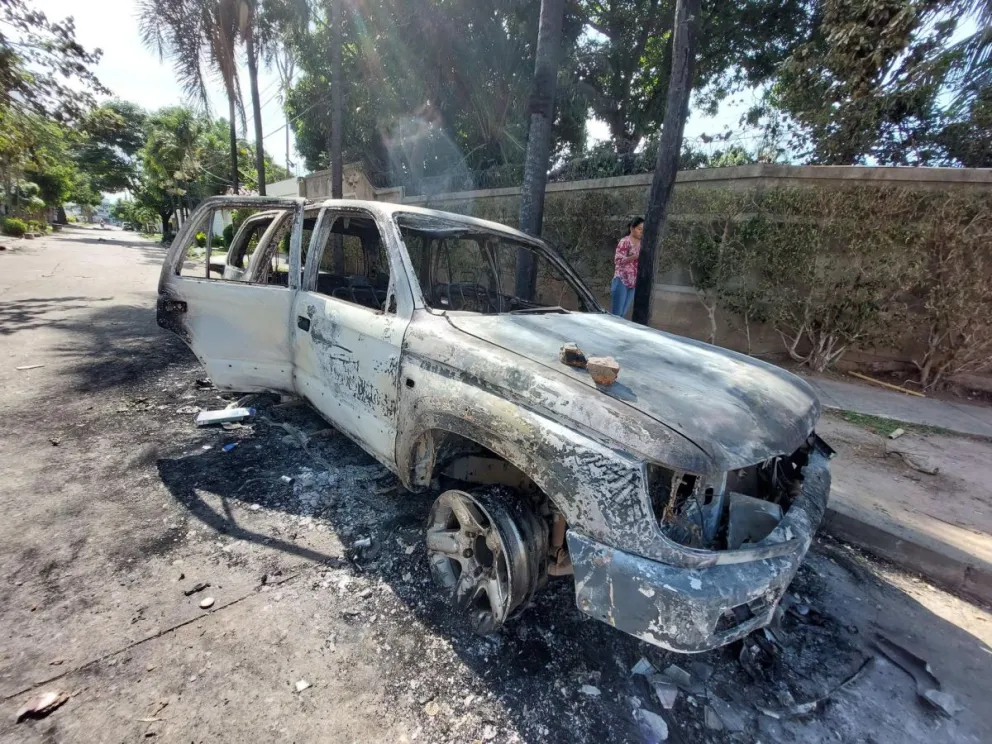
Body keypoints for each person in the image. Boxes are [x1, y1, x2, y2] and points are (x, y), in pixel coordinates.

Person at [611, 217, 643, 317]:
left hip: (633, 282)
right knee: (617, 313)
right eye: (639, 229)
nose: (641, 232)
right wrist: (634, 257)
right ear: (632, 228)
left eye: (643, 230)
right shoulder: (625, 241)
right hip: (622, 279)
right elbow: (618, 260)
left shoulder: (642, 243)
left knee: (623, 313)